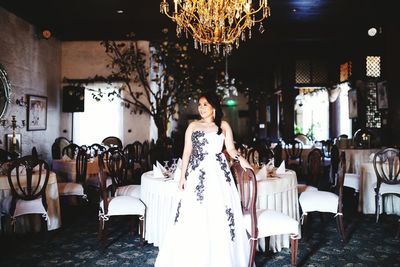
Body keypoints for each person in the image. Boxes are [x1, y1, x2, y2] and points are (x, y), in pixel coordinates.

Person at [155, 91, 253, 267]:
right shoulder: (193, 126)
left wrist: (243, 161)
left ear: (214, 106)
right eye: (199, 105)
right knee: (194, 210)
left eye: (205, 104)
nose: (201, 108)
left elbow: (230, 149)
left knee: (219, 210)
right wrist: (182, 176)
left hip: (218, 172)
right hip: (196, 172)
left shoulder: (223, 126)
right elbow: (186, 152)